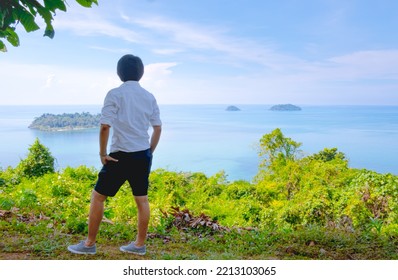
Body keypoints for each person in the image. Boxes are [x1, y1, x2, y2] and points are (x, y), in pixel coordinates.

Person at [67, 54, 162, 255]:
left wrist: (102, 153)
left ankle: (89, 244)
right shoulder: (149, 96)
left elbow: (104, 126)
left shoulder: (114, 94)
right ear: (141, 73)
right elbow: (158, 128)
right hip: (141, 155)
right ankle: (139, 245)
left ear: (119, 73)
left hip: (118, 156)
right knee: (142, 200)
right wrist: (148, 153)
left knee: (98, 197)